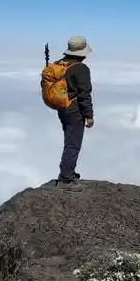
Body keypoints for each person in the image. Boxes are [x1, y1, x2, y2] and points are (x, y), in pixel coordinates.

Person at [54, 35, 95, 190]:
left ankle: (67, 171)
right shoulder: (81, 69)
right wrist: (89, 116)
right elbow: (85, 94)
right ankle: (66, 179)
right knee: (73, 144)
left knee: (69, 139)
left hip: (62, 107)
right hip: (74, 110)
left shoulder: (59, 64)